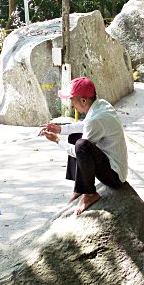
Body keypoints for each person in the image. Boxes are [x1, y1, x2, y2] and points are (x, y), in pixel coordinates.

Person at [39, 76, 128, 215]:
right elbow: (84, 125)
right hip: (110, 164)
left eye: (71, 99)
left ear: (83, 100)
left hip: (114, 176)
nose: (71, 103)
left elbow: (79, 151)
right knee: (75, 137)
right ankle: (79, 188)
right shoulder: (100, 105)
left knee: (81, 145)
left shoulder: (96, 120)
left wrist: (57, 140)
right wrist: (60, 129)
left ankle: (89, 193)